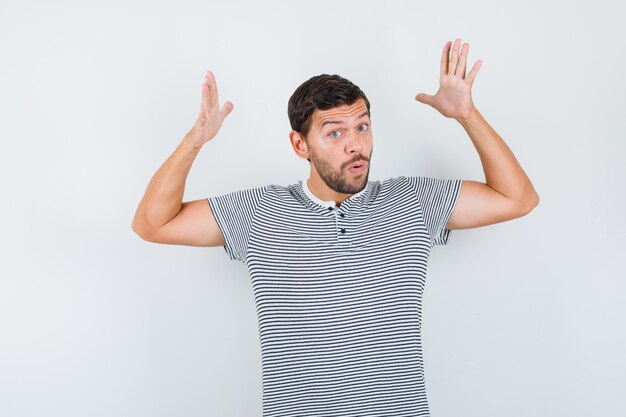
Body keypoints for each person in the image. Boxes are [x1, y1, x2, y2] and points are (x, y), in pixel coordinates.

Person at [132, 38, 539, 417]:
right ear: (300, 145)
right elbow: (152, 223)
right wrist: (195, 141)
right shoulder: (258, 212)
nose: (355, 144)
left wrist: (467, 116)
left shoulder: (414, 201)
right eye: (335, 133)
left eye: (362, 126)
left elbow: (517, 198)